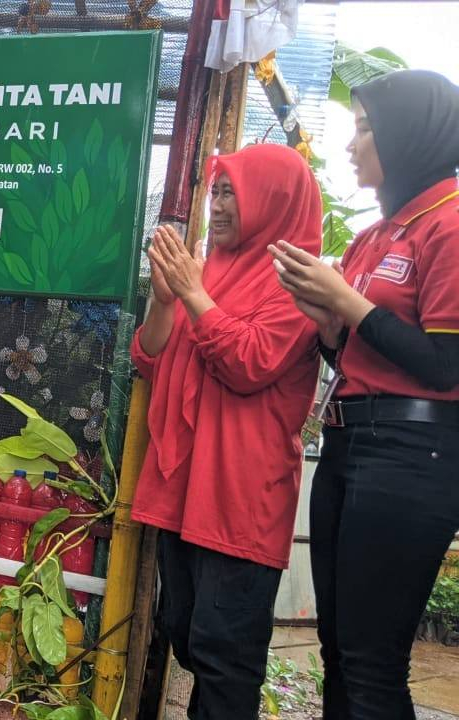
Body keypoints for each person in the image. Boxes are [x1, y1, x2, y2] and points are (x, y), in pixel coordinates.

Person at [270, 69, 459, 718]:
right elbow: (354, 353)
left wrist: (346, 302)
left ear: (411, 133)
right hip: (352, 440)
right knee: (339, 650)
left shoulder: (452, 224)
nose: (351, 145)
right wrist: (328, 323)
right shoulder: (378, 235)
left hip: (416, 452)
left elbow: (444, 365)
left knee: (373, 662)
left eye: (365, 128)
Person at [131, 143, 322, 718]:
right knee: (184, 630)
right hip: (184, 491)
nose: (217, 204)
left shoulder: (299, 281)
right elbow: (150, 359)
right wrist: (165, 301)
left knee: (225, 657)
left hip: (239, 498)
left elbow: (250, 363)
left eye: (233, 191)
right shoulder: (208, 269)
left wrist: (192, 293)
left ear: (273, 200)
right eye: (215, 190)